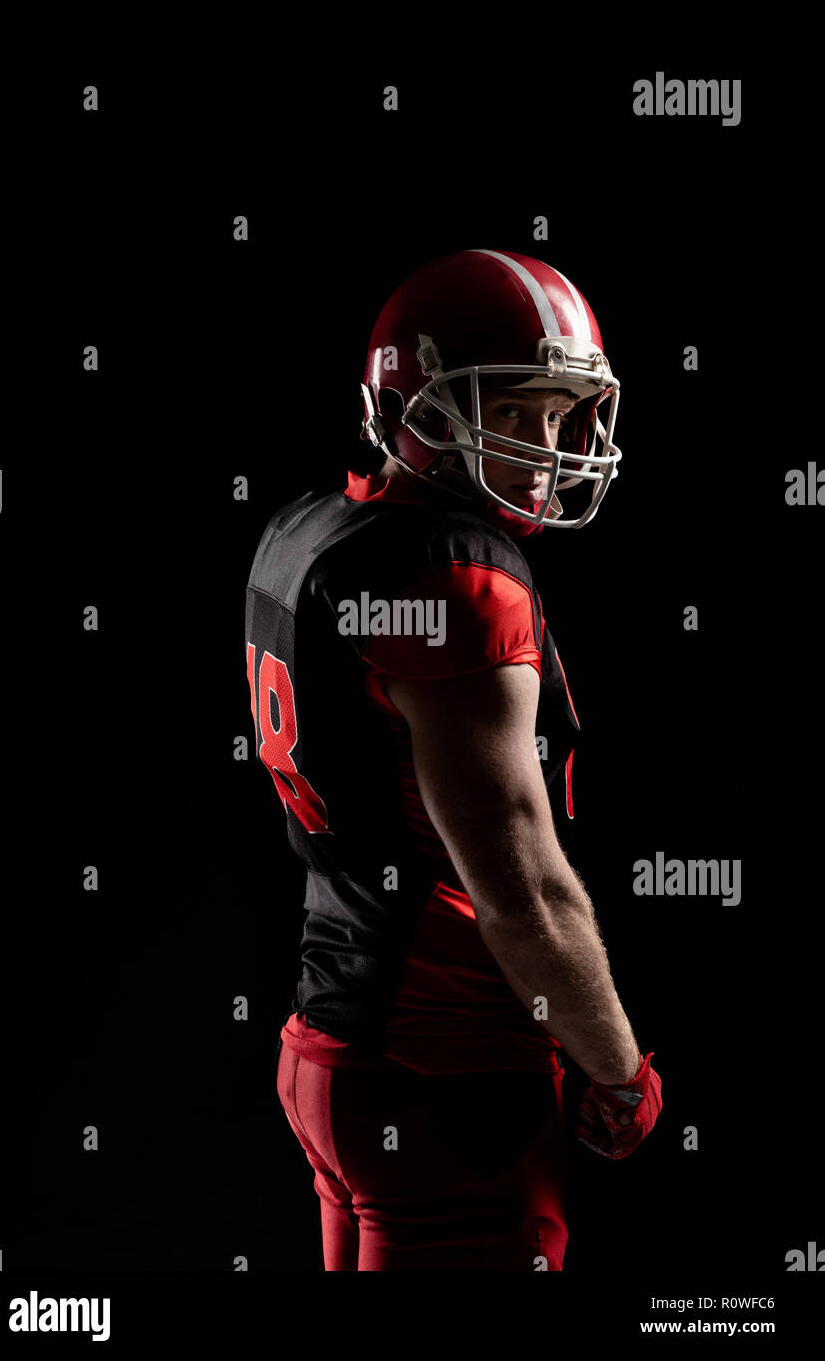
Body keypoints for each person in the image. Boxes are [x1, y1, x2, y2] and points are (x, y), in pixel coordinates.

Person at [245, 249, 663, 1271]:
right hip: (444, 1070)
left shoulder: (308, 530)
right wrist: (617, 1070)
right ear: (417, 403)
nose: (545, 446)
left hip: (327, 1046)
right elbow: (521, 886)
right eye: (515, 410)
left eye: (561, 415)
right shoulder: (453, 578)